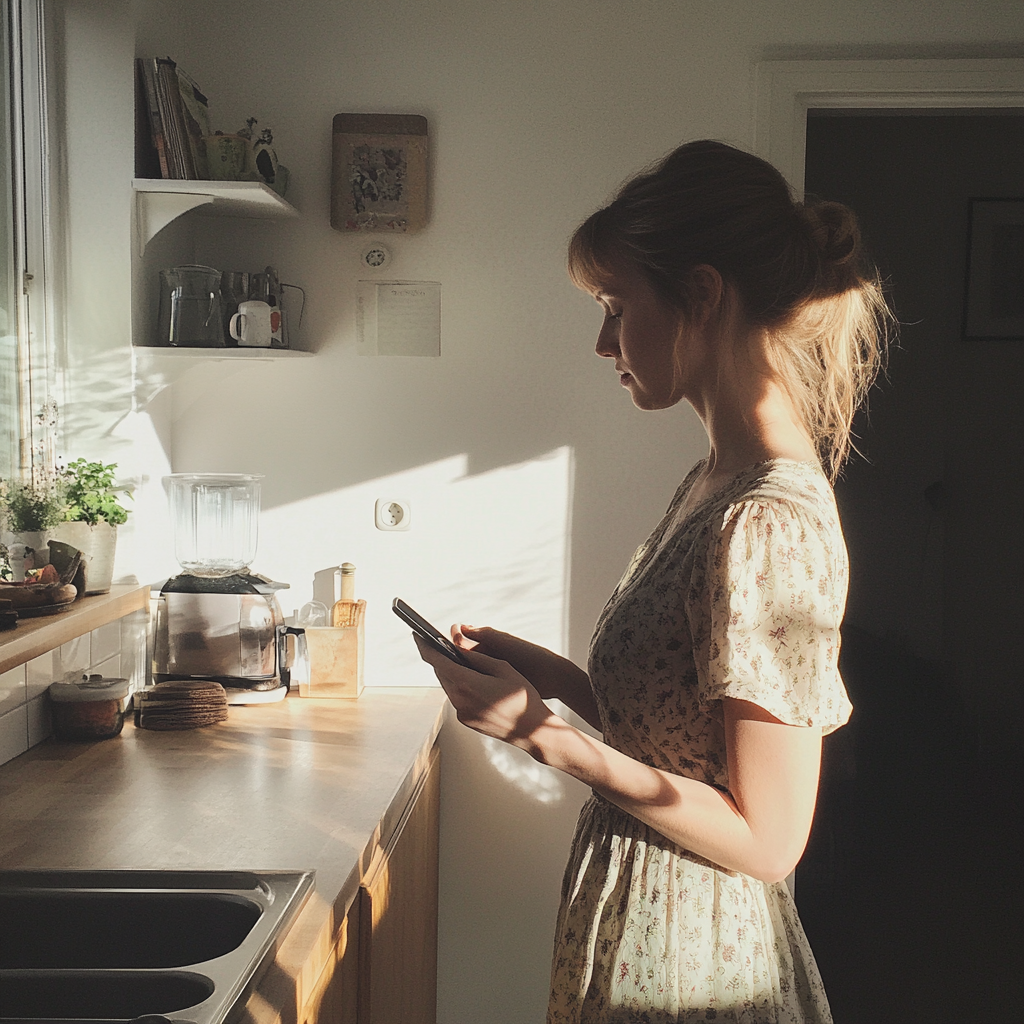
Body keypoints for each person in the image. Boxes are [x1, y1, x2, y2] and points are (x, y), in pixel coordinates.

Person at [413, 139, 891, 1023]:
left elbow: (769, 838)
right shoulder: (716, 482)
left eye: (614, 305)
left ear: (701, 295)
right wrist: (554, 684)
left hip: (695, 959)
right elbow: (688, 740)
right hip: (642, 924)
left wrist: (548, 739)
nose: (603, 342)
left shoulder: (767, 519)